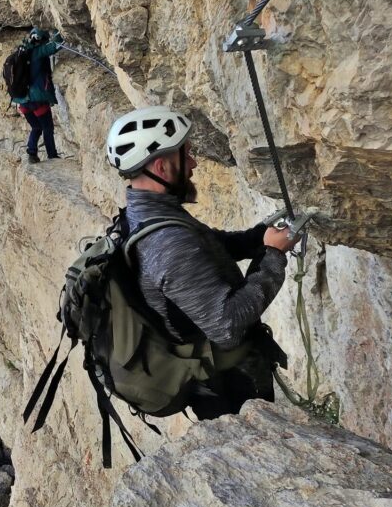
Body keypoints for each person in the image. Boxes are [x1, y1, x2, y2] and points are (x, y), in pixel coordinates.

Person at [105, 105, 299, 419]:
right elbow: (228, 327)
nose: (194, 163)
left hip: (214, 377)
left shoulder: (143, 215)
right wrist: (273, 256)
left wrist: (259, 237)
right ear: (163, 167)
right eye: (186, 154)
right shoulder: (168, 243)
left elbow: (210, 245)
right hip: (228, 387)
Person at [13, 28, 65, 164]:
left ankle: (32, 153)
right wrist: (56, 29)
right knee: (47, 127)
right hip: (38, 100)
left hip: (22, 101)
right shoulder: (39, 52)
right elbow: (58, 44)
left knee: (36, 127)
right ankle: (52, 155)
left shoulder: (20, 52)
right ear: (42, 40)